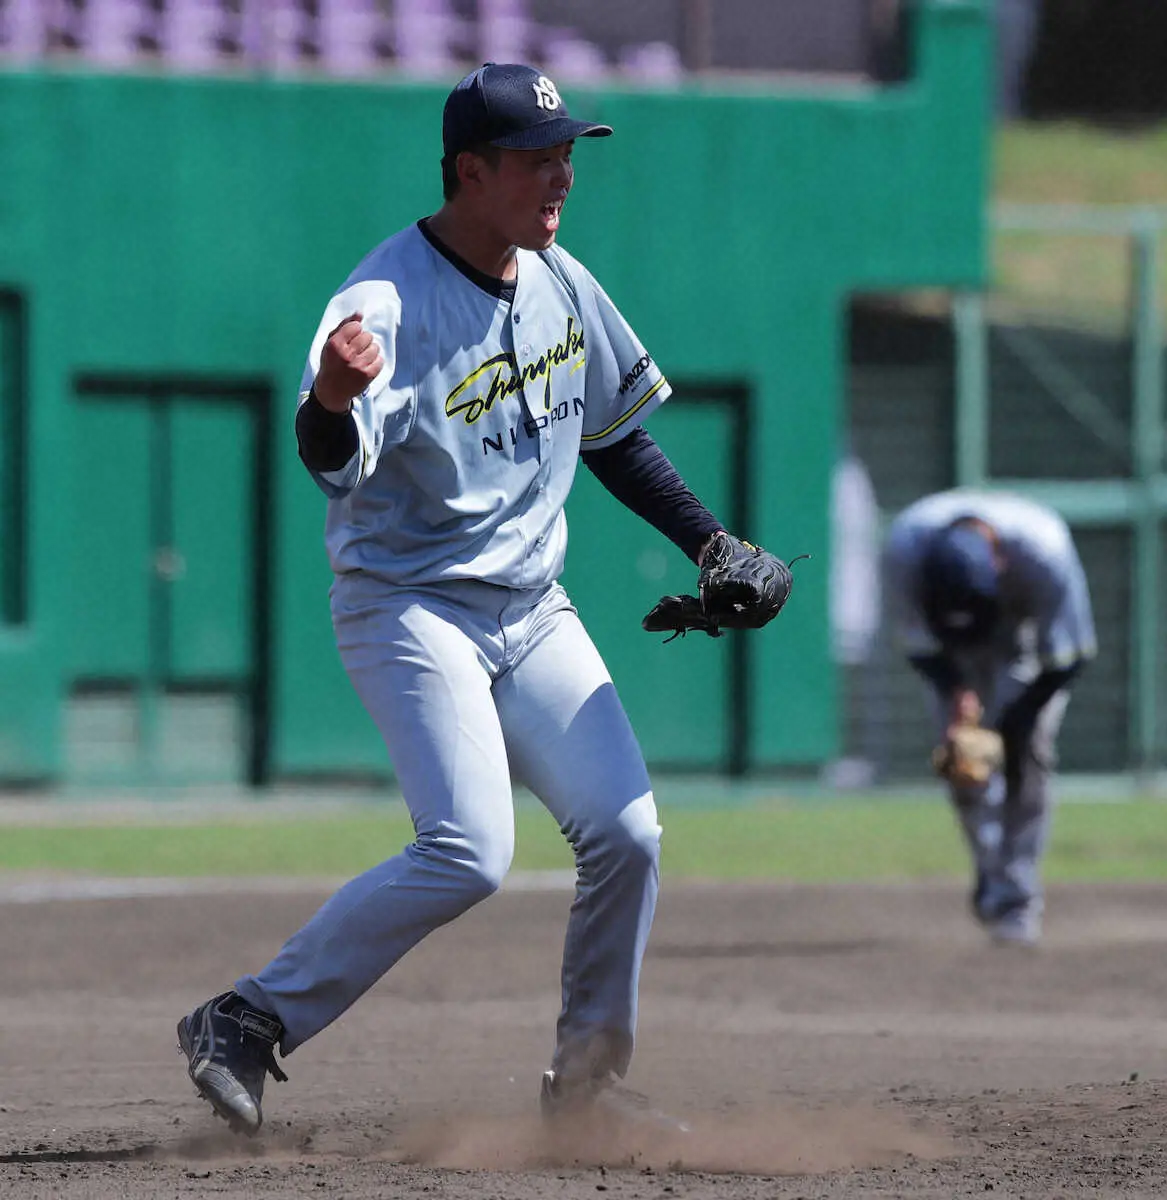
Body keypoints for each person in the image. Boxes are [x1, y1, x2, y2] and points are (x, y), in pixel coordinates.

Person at [176, 62, 736, 1135]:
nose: (561, 173)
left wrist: (713, 544)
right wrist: (335, 396)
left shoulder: (562, 278)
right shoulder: (385, 298)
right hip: (411, 604)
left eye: (567, 152)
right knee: (470, 849)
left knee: (630, 834)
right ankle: (245, 1019)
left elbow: (617, 438)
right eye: (537, 158)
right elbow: (325, 450)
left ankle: (586, 1092)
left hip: (532, 606)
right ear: (470, 172)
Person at [883, 489, 1096, 946]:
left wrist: (1017, 721)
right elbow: (919, 646)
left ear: (999, 562)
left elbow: (1069, 657)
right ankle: (991, 871)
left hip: (1023, 639)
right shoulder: (904, 550)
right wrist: (956, 691)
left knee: (1030, 753)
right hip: (952, 654)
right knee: (964, 761)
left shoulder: (1045, 551)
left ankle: (1018, 895)